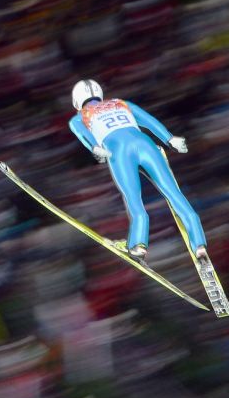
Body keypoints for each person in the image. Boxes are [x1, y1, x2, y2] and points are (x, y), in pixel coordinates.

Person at [68, 79, 208, 261]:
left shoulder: (80, 116)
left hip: (119, 151)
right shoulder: (121, 102)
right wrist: (169, 139)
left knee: (134, 199)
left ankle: (138, 244)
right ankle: (199, 244)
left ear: (77, 101)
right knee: (174, 193)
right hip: (146, 145)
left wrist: (95, 148)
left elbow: (83, 134)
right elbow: (148, 120)